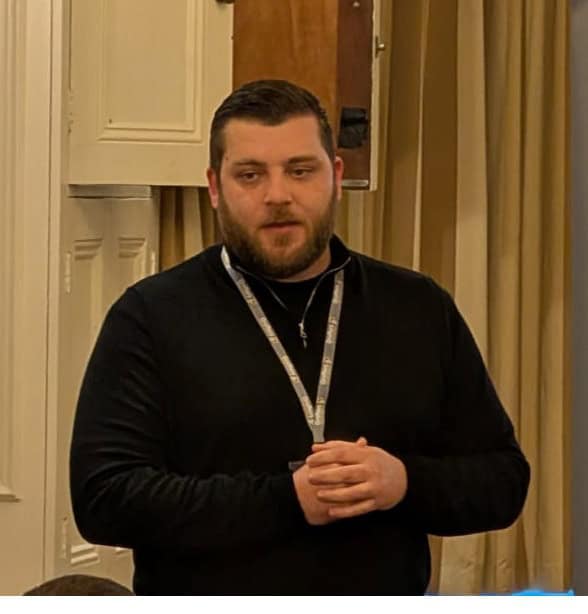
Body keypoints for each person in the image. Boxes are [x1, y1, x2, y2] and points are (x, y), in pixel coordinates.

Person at [70, 79, 530, 595]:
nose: (278, 195)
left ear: (336, 177)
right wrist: (287, 501)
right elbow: (104, 499)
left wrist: (403, 482)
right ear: (215, 187)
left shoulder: (418, 307)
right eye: (250, 175)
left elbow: (503, 482)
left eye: (300, 170)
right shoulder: (151, 316)